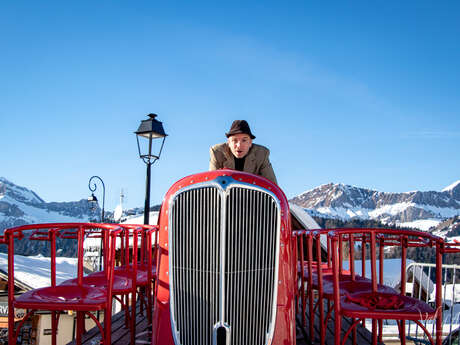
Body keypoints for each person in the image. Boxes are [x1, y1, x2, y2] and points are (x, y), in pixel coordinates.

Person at [209, 120, 277, 184]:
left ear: (250, 143)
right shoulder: (217, 152)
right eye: (235, 140)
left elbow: (272, 184)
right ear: (229, 143)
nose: (239, 145)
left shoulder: (262, 154)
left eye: (244, 140)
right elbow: (212, 183)